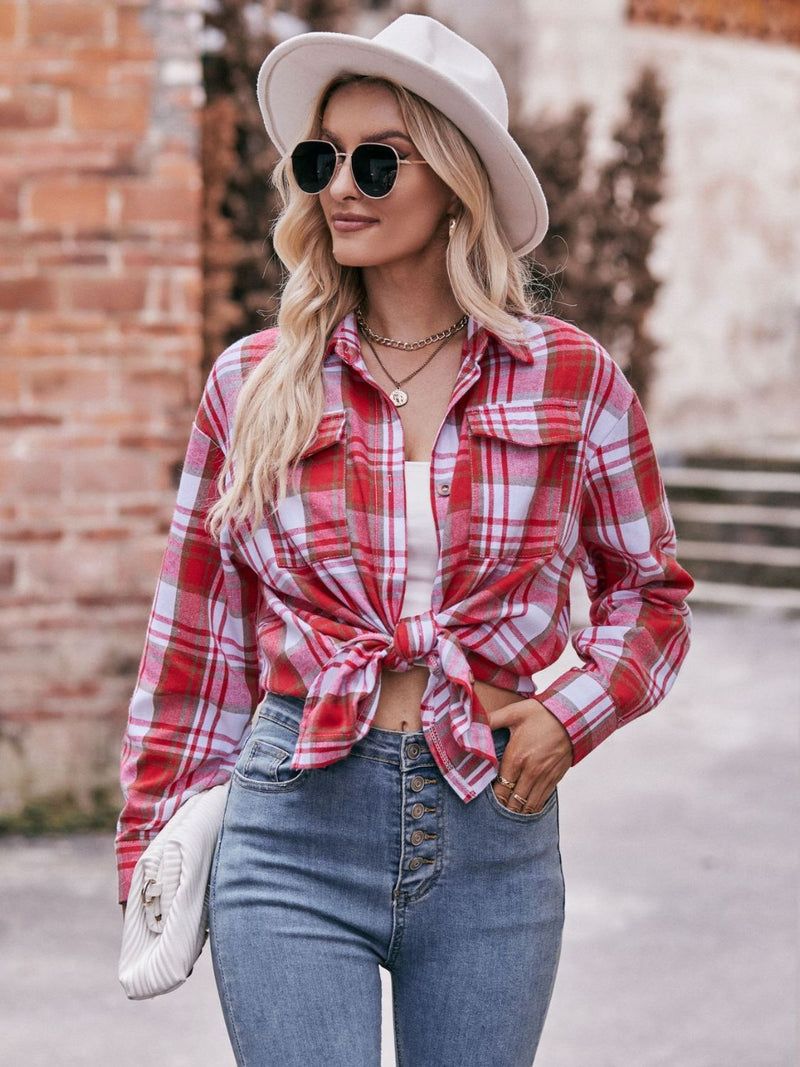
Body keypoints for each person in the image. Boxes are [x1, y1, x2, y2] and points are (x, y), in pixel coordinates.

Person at [116, 14, 692, 1066]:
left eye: (377, 160)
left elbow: (649, 593)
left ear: (453, 185)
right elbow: (194, 640)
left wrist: (566, 717)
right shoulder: (252, 382)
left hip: (490, 831)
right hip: (290, 823)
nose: (340, 185)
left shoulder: (569, 379)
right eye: (320, 158)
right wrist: (149, 849)